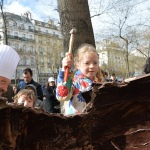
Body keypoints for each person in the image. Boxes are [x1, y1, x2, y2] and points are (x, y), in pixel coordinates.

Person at [56, 43, 103, 116]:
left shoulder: (99, 83)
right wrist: (64, 70)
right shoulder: (74, 82)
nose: (92, 66)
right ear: (77, 64)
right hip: (76, 123)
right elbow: (62, 95)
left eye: (95, 63)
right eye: (87, 63)